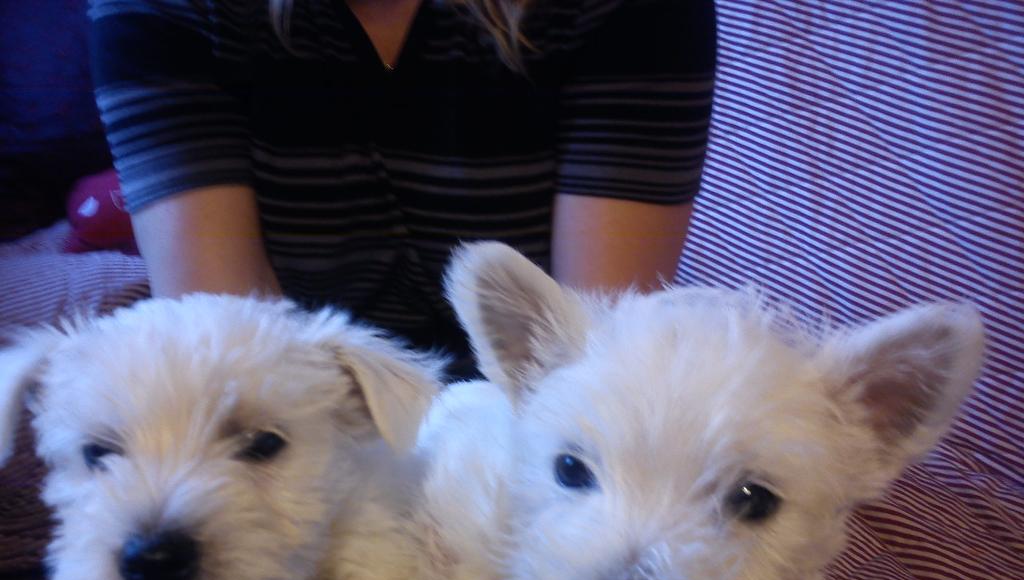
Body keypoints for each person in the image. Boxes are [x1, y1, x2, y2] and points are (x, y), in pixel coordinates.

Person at [89, 0, 717, 360]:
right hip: (309, 437)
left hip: (525, 441)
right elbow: (227, 353)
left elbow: (586, 361)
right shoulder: (165, 12)